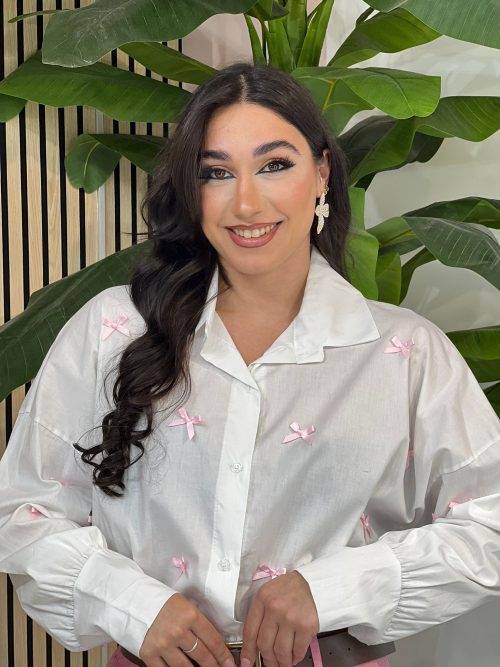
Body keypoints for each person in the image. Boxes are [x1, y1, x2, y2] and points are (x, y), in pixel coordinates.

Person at [0, 62, 499, 667]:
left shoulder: (406, 354)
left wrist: (328, 590)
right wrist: (131, 604)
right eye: (216, 172)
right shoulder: (114, 329)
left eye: (274, 165)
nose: (245, 201)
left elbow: (491, 524)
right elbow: (23, 512)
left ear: (321, 173)